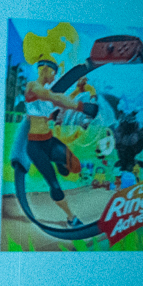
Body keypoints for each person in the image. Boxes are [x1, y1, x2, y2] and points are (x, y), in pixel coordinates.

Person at [22, 60, 91, 226]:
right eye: (53, 73)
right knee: (54, 184)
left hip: (49, 141)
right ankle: (71, 218)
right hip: (36, 147)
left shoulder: (45, 95)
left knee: (75, 166)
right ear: (45, 70)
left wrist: (78, 91)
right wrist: (81, 106)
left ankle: (60, 163)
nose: (54, 77)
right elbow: (55, 97)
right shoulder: (33, 87)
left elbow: (60, 101)